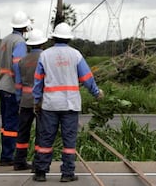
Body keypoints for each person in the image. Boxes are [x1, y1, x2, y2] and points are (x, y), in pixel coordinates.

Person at [32, 22, 104, 182]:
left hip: (50, 104)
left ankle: (41, 172)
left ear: (54, 37)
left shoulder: (45, 55)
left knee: (45, 139)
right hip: (70, 104)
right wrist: (96, 92)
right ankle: (67, 173)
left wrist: (37, 101)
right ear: (69, 39)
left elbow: (38, 81)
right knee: (69, 140)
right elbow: (86, 78)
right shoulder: (76, 55)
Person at [0, 11, 31, 166]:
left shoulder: (4, 40)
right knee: (12, 123)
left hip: (2, 85)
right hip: (11, 87)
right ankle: (8, 157)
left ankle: (6, 154)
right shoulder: (20, 42)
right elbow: (18, 65)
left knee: (6, 123)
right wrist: (19, 89)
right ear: (25, 26)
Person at [13, 29, 48, 171]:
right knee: (41, 133)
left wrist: (18, 99)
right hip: (41, 101)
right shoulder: (45, 58)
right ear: (42, 44)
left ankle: (19, 161)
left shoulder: (22, 61)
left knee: (23, 132)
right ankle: (38, 164)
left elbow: (18, 84)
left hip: (25, 101)